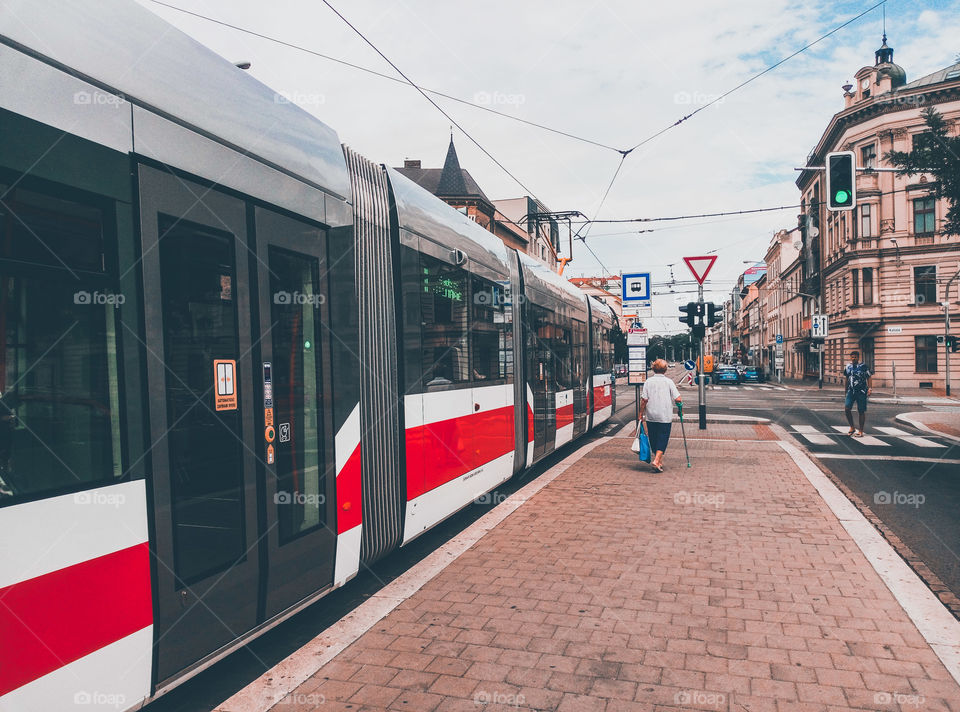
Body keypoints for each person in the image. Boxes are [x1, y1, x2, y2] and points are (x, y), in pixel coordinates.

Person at [638, 358, 682, 472]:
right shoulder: (669, 382)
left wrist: (640, 414)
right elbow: (678, 398)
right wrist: (680, 409)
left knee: (653, 438)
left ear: (653, 369)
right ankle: (657, 460)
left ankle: (659, 462)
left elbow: (644, 400)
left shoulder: (648, 381)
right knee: (663, 437)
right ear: (665, 370)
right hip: (664, 415)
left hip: (651, 415)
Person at [842, 350, 872, 437]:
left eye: (855, 357)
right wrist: (845, 390)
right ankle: (852, 427)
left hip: (861, 391)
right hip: (851, 391)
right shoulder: (848, 367)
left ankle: (861, 430)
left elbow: (869, 377)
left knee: (861, 411)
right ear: (850, 358)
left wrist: (870, 388)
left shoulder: (863, 366)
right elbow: (847, 378)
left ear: (858, 357)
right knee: (847, 408)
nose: (854, 358)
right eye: (852, 357)